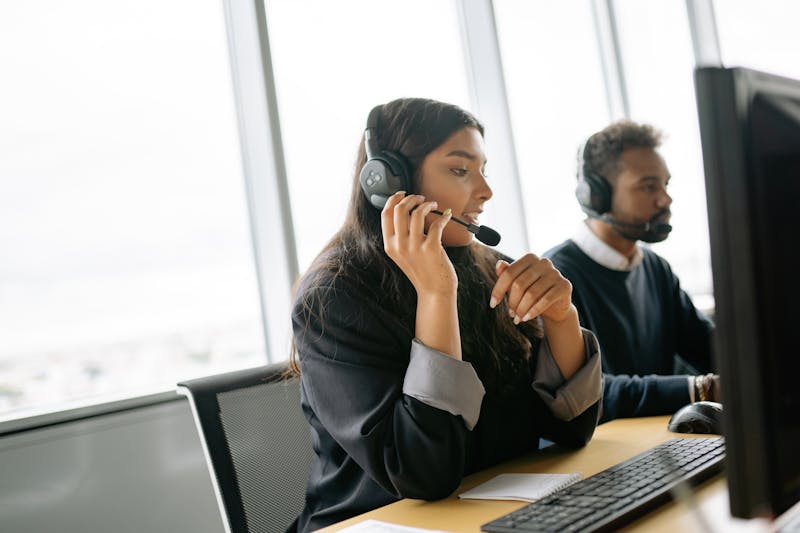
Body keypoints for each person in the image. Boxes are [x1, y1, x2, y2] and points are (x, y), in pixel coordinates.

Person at [290, 98, 602, 532]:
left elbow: (573, 431)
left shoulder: (491, 268)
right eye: (460, 170)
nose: (486, 191)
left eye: (483, 170)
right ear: (387, 182)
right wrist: (436, 294)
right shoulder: (333, 297)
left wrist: (561, 318)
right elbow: (423, 473)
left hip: (494, 515)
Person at [544, 120, 719, 424]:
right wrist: (700, 389)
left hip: (658, 439)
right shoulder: (558, 277)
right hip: (605, 448)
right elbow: (591, 392)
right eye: (649, 186)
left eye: (665, 184)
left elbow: (705, 344)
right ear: (595, 196)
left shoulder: (654, 267)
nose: (665, 199)